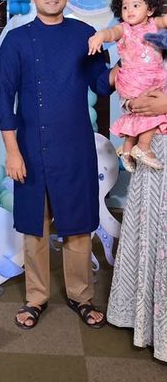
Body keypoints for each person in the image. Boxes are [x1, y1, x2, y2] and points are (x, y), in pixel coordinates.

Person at [0, 0, 115, 330]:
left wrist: (132, 62)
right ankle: (36, 298)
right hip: (30, 147)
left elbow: (102, 85)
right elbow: (4, 101)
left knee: (78, 226)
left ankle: (81, 296)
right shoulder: (16, 40)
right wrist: (12, 152)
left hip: (76, 146)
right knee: (35, 226)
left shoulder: (84, 34)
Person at [107, 89, 167, 363]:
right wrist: (133, 102)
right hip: (152, 150)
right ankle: (144, 320)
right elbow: (131, 81)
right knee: (148, 224)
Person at [88, 0, 167, 171]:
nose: (129, 10)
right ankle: (143, 146)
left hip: (152, 77)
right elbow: (111, 32)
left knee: (144, 113)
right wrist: (100, 36)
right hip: (134, 79)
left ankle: (127, 149)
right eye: (125, 7)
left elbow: (164, 21)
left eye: (136, 5)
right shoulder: (124, 28)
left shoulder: (153, 25)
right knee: (150, 110)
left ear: (150, 10)